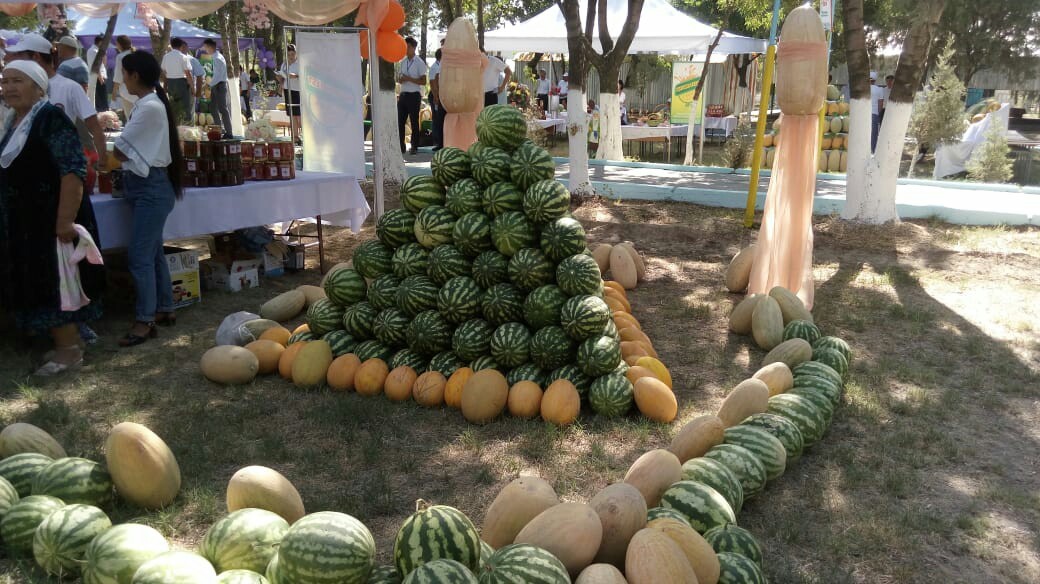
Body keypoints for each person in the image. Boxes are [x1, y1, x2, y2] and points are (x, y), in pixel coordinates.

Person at [0, 60, 104, 376]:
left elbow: (72, 170)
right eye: (4, 82)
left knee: (57, 283)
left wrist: (64, 221)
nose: (8, 88)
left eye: (17, 81)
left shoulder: (50, 119)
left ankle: (69, 351)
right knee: (38, 281)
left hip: (50, 219)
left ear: (38, 85)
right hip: (27, 222)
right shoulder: (14, 121)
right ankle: (66, 344)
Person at [104, 51, 184, 346]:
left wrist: (100, 138)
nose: (122, 79)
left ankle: (145, 320)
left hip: (150, 187)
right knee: (151, 253)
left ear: (135, 75)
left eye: (124, 74)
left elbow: (121, 151)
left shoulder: (149, 106)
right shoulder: (148, 104)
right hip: (147, 186)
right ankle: (164, 308)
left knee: (139, 256)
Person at [6, 33, 106, 181]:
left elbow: (94, 127)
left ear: (36, 58)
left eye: (20, 56)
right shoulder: (18, 90)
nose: (15, 60)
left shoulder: (70, 87)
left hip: (60, 170)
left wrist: (102, 159)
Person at [396, 37, 426, 155]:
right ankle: (401, 146)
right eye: (405, 47)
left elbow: (424, 81)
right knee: (400, 122)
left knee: (414, 121)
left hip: (414, 95)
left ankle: (414, 146)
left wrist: (408, 79)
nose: (406, 49)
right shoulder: (403, 61)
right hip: (403, 94)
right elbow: (400, 77)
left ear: (413, 48)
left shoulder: (419, 62)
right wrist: (401, 79)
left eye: (408, 47)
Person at [202, 39, 233, 139]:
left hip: (219, 85)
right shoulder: (216, 57)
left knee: (223, 109)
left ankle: (229, 132)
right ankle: (220, 128)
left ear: (210, 47)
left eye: (206, 47)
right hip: (217, 85)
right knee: (212, 107)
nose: (205, 49)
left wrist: (208, 85)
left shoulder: (217, 58)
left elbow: (218, 76)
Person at [161, 37, 194, 125]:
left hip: (170, 83)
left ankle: (176, 129)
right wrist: (192, 87)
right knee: (186, 107)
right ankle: (187, 128)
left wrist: (165, 86)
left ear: (171, 45)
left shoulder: (166, 57)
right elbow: (188, 74)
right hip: (182, 83)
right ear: (181, 46)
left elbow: (164, 73)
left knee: (174, 107)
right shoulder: (183, 57)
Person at [276, 44, 301, 142]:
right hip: (287, 90)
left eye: (293, 54)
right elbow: (282, 78)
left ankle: (302, 135)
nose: (291, 56)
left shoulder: (299, 63)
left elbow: (297, 75)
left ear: (296, 53)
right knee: (292, 114)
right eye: (289, 54)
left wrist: (292, 75)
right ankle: (295, 136)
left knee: (299, 114)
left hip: (297, 90)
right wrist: (279, 78)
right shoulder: (284, 64)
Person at [112, 35, 136, 119]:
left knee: (130, 116)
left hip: (126, 90)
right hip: (139, 90)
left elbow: (118, 77)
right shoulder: (136, 54)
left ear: (120, 44)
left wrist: (114, 92)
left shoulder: (120, 57)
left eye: (117, 43)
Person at [85, 36, 108, 111]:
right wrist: (100, 77)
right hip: (97, 77)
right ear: (100, 42)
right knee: (100, 97)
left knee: (102, 96)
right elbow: (95, 65)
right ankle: (102, 111)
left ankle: (103, 110)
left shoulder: (97, 50)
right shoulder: (93, 51)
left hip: (100, 76)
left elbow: (103, 64)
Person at [428, 48, 444, 151]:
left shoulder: (442, 65)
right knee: (437, 119)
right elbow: (432, 82)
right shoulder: (435, 67)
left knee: (441, 119)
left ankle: (442, 141)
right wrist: (435, 96)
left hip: (442, 94)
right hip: (436, 95)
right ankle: (438, 142)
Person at [869, 71, 884, 152]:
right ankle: (873, 150)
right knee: (873, 133)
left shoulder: (864, 89)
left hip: (864, 113)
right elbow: (880, 104)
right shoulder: (879, 89)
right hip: (874, 113)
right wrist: (879, 115)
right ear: (875, 80)